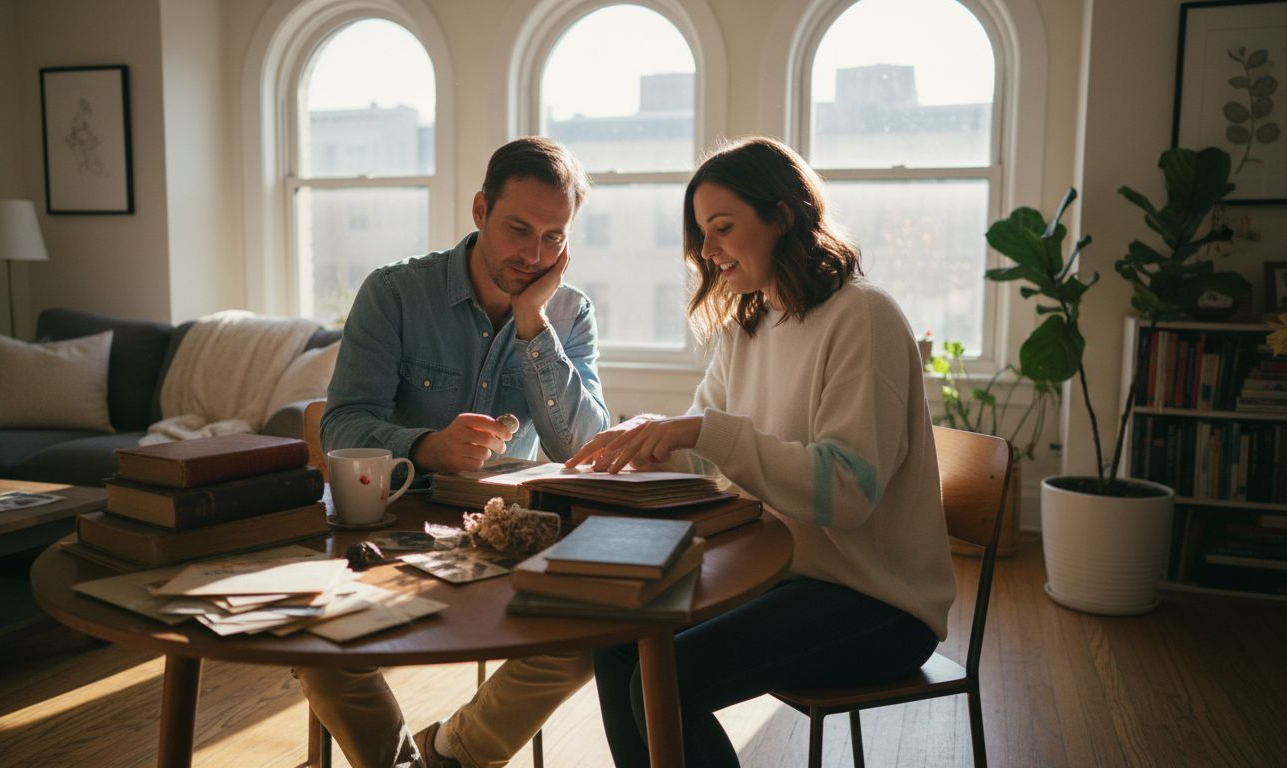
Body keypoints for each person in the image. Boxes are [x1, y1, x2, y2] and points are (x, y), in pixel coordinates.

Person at [564, 137, 956, 768]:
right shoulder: (749, 326)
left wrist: (700, 432)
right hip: (783, 578)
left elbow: (846, 491)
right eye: (701, 233)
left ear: (783, 217)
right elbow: (704, 450)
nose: (709, 250)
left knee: (672, 678)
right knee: (622, 641)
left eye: (723, 228)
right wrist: (648, 439)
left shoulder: (865, 317)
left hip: (877, 603)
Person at [297, 136, 610, 768]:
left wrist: (532, 322)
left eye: (554, 237)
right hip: (390, 531)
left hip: (505, 540)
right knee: (310, 633)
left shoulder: (569, 313)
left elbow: (584, 448)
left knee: (593, 636)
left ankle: (450, 756)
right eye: (518, 229)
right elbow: (342, 426)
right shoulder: (395, 293)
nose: (534, 253)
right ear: (479, 211)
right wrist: (428, 447)